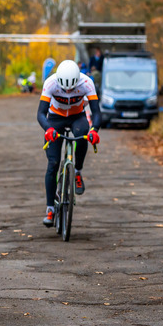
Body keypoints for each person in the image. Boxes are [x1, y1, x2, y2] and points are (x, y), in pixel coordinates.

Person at [38, 59, 101, 227]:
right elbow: (41, 113)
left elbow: (96, 112)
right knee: (53, 163)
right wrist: (48, 129)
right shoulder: (50, 82)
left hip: (77, 117)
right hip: (55, 118)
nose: (67, 92)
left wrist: (94, 130)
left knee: (83, 135)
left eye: (72, 89)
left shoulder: (86, 82)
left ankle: (77, 170)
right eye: (64, 89)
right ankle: (50, 208)